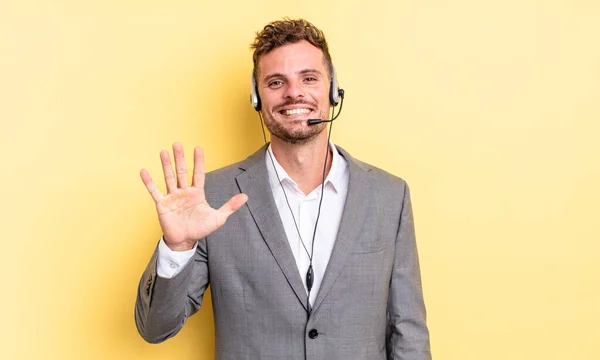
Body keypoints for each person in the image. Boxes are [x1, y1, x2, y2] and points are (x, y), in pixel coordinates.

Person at [135, 18, 431, 360]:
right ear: (257, 98)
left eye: (309, 78)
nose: (294, 92)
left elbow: (408, 331)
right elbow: (154, 328)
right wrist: (178, 246)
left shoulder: (388, 195)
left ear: (333, 91)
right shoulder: (213, 198)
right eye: (277, 82)